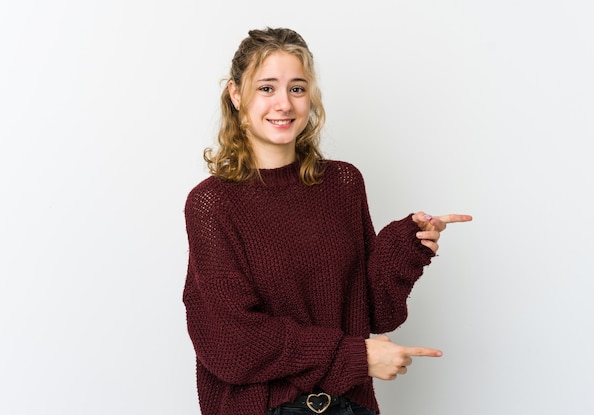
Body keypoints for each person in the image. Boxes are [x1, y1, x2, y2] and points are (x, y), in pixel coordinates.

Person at [183, 27, 472, 415]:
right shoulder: (212, 204)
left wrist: (406, 247)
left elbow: (373, 312)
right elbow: (232, 344)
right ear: (237, 94)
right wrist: (355, 356)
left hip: (350, 406)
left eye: (297, 89)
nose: (283, 104)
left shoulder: (343, 184)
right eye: (266, 88)